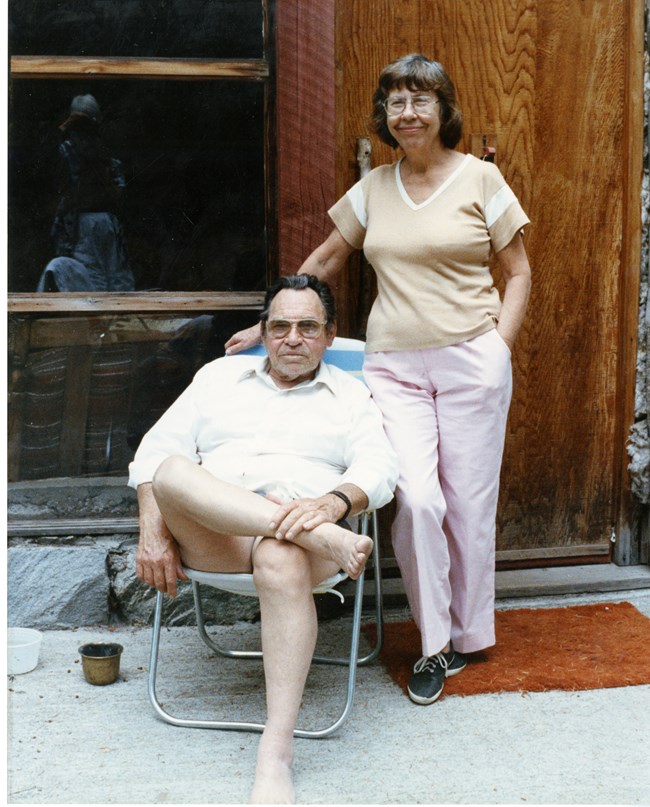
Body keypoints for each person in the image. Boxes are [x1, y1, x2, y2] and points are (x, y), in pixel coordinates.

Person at [225, 54, 532, 706]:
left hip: (472, 360)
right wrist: (271, 322)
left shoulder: (482, 179)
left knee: (470, 506)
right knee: (417, 499)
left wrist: (499, 347)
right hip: (394, 368)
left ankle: (470, 632)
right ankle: (434, 642)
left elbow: (520, 271)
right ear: (385, 116)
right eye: (396, 101)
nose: (408, 112)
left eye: (420, 99)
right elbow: (327, 259)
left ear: (442, 109)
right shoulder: (374, 188)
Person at [129, 274, 397, 803]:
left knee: (279, 556)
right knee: (175, 472)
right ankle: (325, 539)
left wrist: (334, 504)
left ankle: (274, 757)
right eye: (279, 326)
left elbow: (381, 468)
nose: (292, 338)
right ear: (264, 331)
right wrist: (152, 528)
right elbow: (153, 454)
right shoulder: (216, 379)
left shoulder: (351, 394)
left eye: (307, 327)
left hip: (299, 542)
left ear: (329, 334)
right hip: (218, 534)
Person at [36, 94, 135, 292]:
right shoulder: (66, 150)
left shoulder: (105, 150)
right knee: (90, 276)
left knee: (114, 276)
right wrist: (63, 129)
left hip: (105, 222)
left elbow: (119, 189)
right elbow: (47, 167)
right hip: (80, 223)